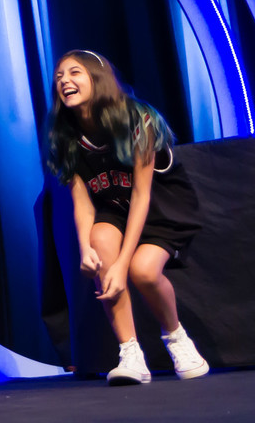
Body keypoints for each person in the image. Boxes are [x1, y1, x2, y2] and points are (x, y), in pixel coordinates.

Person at [45, 49, 208, 384]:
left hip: (161, 209)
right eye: (59, 76)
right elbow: (83, 202)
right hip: (115, 208)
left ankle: (177, 338)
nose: (64, 81)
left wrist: (121, 265)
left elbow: (142, 193)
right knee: (100, 240)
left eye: (74, 73)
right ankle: (130, 353)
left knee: (142, 271)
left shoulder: (138, 118)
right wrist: (85, 249)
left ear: (98, 76)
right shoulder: (66, 134)